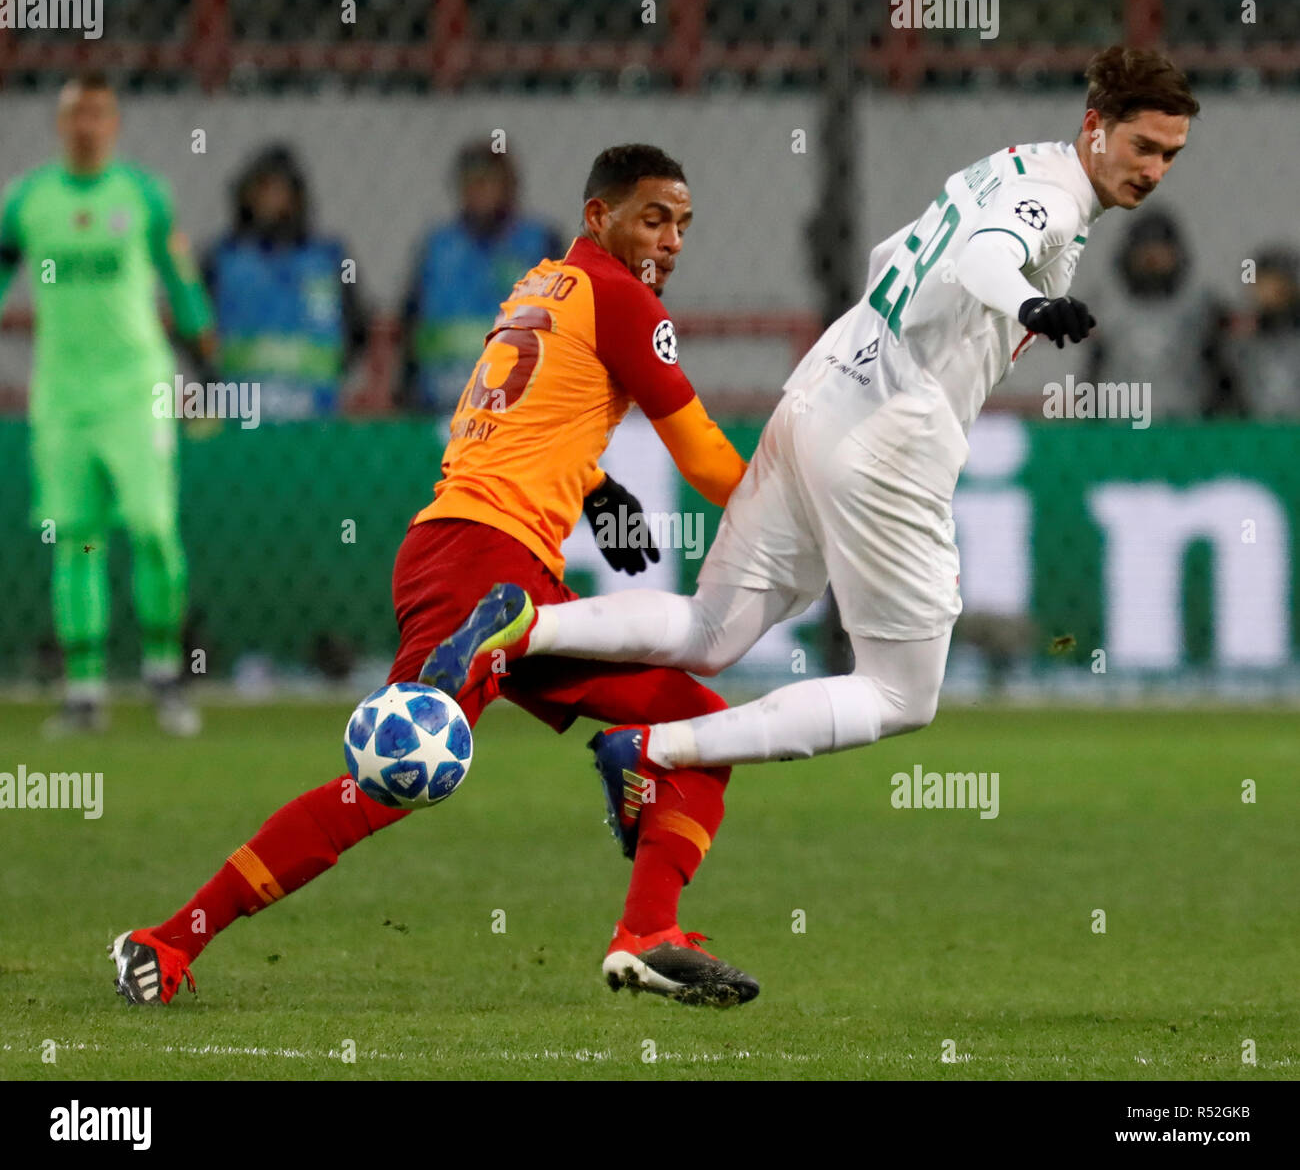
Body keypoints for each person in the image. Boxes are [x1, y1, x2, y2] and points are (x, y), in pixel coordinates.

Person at [431, 48, 1199, 809]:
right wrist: (1030, 306)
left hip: (825, 384)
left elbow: (890, 254)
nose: (1155, 168)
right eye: (1143, 147)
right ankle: (652, 749)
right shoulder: (1057, 203)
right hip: (892, 436)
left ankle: (528, 623)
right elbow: (986, 258)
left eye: (1171, 154)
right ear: (1095, 126)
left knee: (711, 631)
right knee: (902, 696)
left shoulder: (1008, 163)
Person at [111, 144, 759, 1009]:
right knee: (387, 779)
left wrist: (595, 488)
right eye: (653, 217)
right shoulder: (620, 297)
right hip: (482, 569)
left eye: (682, 223)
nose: (672, 239)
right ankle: (168, 938)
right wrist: (811, 518)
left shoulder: (539, 285)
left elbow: (509, 414)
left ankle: (646, 933)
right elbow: (709, 456)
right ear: (597, 216)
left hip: (485, 559)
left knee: (697, 728)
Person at [0, 72, 214, 737]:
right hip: (62, 396)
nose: (86, 126)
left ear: (113, 124)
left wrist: (204, 370)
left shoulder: (144, 196)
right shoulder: (26, 201)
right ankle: (85, 691)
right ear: (61, 125)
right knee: (75, 537)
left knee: (152, 526)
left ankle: (163, 674)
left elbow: (180, 284)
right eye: (75, 115)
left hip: (137, 390)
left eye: (97, 114)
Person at [203, 143, 368, 422]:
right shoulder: (222, 259)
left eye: (279, 190)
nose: (271, 200)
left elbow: (357, 327)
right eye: (263, 190)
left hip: (315, 416)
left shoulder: (330, 258)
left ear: (297, 196)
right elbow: (196, 328)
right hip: (239, 417)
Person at [397, 141, 565, 412]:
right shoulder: (436, 247)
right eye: (470, 183)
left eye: (488, 182)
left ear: (509, 186)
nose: (478, 192)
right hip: (440, 404)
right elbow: (409, 324)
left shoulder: (540, 243)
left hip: (522, 408)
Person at [1083, 207, 1238, 420]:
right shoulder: (1105, 308)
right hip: (1118, 427)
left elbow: (1222, 374)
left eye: (1160, 250)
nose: (1152, 258)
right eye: (1145, 250)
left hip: (1186, 426)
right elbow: (1094, 372)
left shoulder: (1201, 308)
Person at [1225, 247, 1300, 419]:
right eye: (1261, 283)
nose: (1266, 291)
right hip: (1255, 431)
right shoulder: (1240, 337)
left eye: (1276, 283)